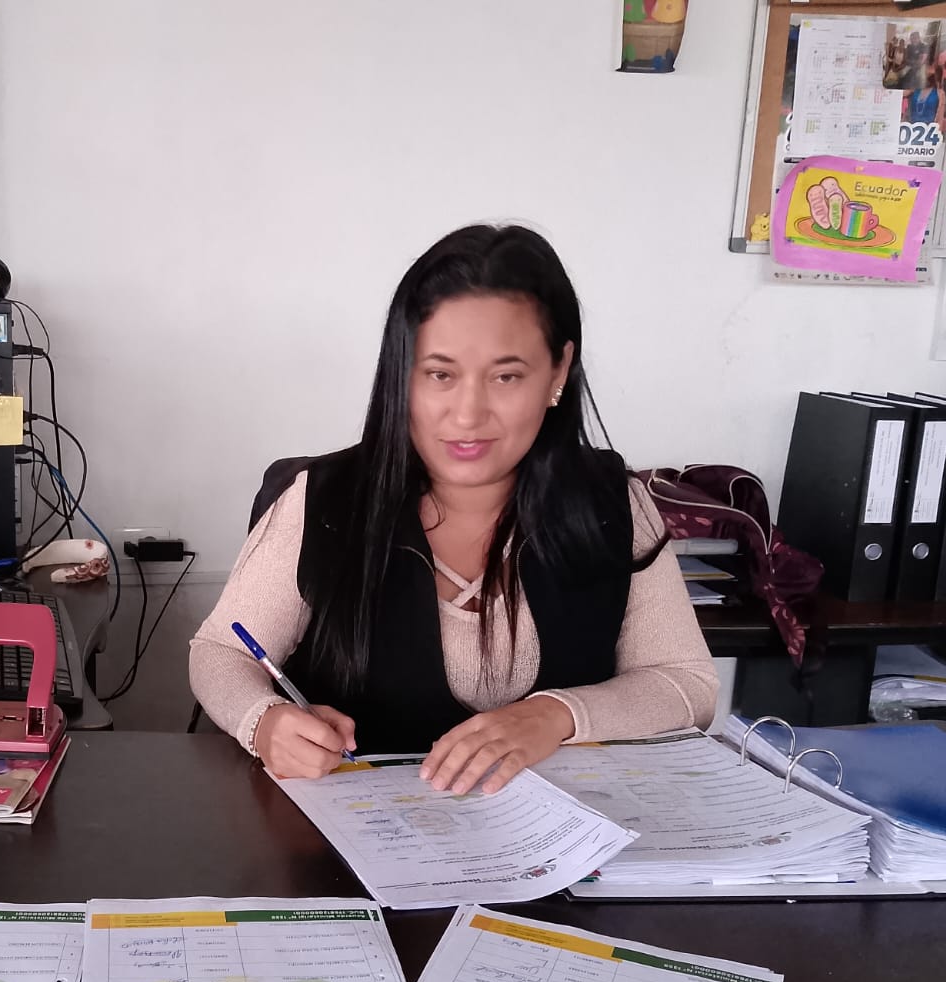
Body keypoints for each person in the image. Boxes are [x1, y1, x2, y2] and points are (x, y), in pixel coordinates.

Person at [189, 224, 717, 794]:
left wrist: (556, 715)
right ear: (403, 374)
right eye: (440, 374)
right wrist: (264, 721)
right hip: (355, 834)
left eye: (506, 376)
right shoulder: (324, 500)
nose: (468, 415)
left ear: (558, 371)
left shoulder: (613, 505)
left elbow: (686, 683)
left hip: (554, 840)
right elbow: (220, 652)